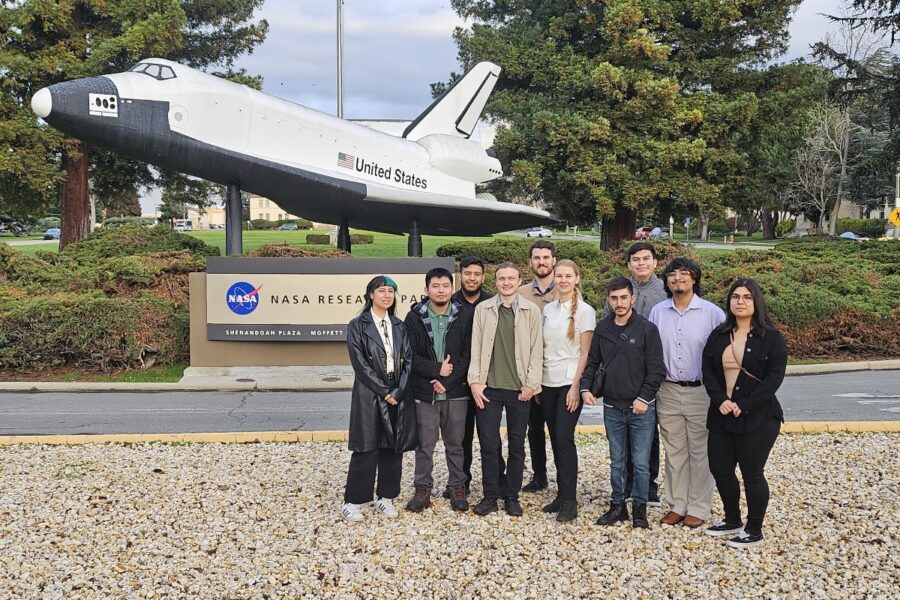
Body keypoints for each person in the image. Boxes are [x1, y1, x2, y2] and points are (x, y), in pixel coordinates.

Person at [702, 278, 787, 548]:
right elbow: (707, 370)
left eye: (747, 297)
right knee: (720, 469)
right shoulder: (719, 334)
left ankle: (754, 529)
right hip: (721, 414)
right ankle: (732, 520)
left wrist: (745, 403)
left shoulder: (771, 338)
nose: (740, 301)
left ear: (757, 302)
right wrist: (719, 400)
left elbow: (774, 378)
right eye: (735, 297)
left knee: (752, 472)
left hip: (759, 417)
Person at [581, 277, 665, 529]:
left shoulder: (647, 329)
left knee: (640, 462)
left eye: (623, 297)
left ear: (633, 299)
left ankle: (640, 508)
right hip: (612, 408)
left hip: (640, 408)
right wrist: (585, 387)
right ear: (608, 299)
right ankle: (618, 504)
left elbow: (656, 370)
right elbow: (593, 362)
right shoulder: (603, 329)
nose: (619, 303)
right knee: (617, 460)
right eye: (614, 298)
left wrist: (644, 398)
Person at [648, 258, 725, 529]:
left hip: (701, 391)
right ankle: (677, 505)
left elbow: (723, 355)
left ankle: (698, 506)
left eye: (684, 274)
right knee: (675, 451)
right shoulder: (658, 312)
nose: (678, 278)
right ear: (667, 280)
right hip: (667, 390)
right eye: (672, 274)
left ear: (694, 279)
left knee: (700, 451)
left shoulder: (712, 313)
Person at [468, 262, 543, 517]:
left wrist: (532, 385)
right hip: (488, 389)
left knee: (517, 445)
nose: (507, 283)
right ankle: (490, 495)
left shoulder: (531, 311)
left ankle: (511, 495)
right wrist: (475, 382)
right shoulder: (483, 309)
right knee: (489, 445)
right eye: (502, 278)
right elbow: (476, 348)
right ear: (495, 281)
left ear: (519, 280)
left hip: (519, 389)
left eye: (511, 278)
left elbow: (536, 351)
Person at [341, 275, 416, 522]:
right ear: (371, 294)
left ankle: (386, 497)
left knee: (392, 446)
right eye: (381, 291)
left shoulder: (399, 326)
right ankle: (353, 501)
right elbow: (360, 364)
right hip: (369, 394)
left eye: (391, 292)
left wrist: (398, 391)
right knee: (367, 447)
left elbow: (408, 361)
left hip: (397, 392)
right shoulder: (357, 325)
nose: (387, 295)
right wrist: (383, 391)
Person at [602, 242, 667, 507]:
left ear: (655, 262)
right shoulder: (621, 289)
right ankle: (626, 485)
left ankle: (648, 485)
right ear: (629, 264)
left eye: (646, 259)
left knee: (649, 435)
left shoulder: (664, 291)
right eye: (635, 259)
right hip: (623, 373)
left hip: (652, 370)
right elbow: (606, 329)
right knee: (623, 441)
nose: (641, 263)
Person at [404, 268, 473, 513]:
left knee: (456, 444)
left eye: (445, 285)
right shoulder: (414, 317)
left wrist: (449, 380)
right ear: (427, 290)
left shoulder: (465, 315)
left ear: (452, 289)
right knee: (425, 445)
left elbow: (467, 356)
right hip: (425, 392)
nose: (441, 290)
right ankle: (423, 489)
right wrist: (437, 371)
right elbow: (409, 355)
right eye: (436, 286)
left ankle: (457, 487)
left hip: (456, 392)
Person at [540, 259, 596, 522]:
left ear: (576, 279)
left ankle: (570, 501)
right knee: (555, 439)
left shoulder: (585, 311)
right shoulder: (548, 309)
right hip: (547, 382)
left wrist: (576, 386)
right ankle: (561, 494)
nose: (562, 280)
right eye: (558, 276)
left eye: (567, 276)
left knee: (564, 438)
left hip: (568, 383)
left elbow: (585, 353)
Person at [447, 256, 495, 499]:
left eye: (477, 274)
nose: (472, 278)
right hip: (459, 382)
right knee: (461, 436)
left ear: (483, 277)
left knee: (490, 436)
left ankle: (496, 482)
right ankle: (460, 482)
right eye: (468, 273)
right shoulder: (451, 303)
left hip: (488, 382)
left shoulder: (492, 303)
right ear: (460, 275)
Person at [518, 239, 559, 492]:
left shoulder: (566, 289)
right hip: (529, 374)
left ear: (553, 260)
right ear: (530, 262)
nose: (541, 262)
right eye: (537, 258)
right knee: (534, 428)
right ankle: (539, 475)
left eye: (546, 257)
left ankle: (563, 479)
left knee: (558, 431)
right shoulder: (521, 293)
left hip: (557, 373)